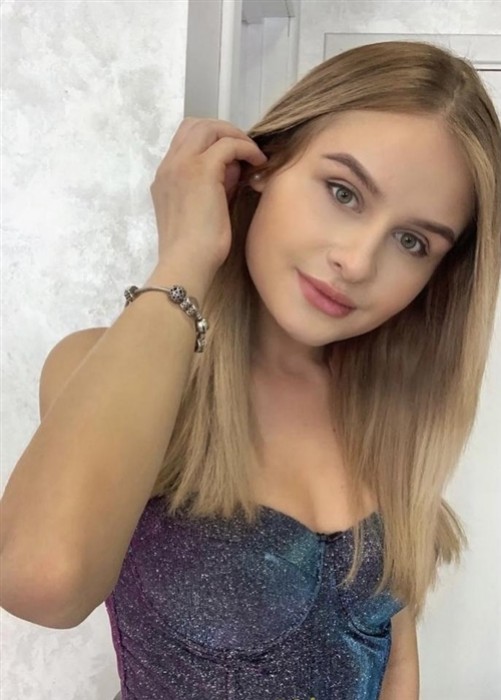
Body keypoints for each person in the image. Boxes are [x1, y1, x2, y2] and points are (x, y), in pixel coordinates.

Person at [1, 40, 500, 700]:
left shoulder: (387, 418)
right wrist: (185, 256)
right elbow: (41, 582)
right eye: (343, 192)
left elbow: (395, 660)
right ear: (265, 163)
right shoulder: (102, 370)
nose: (356, 261)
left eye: (412, 241)